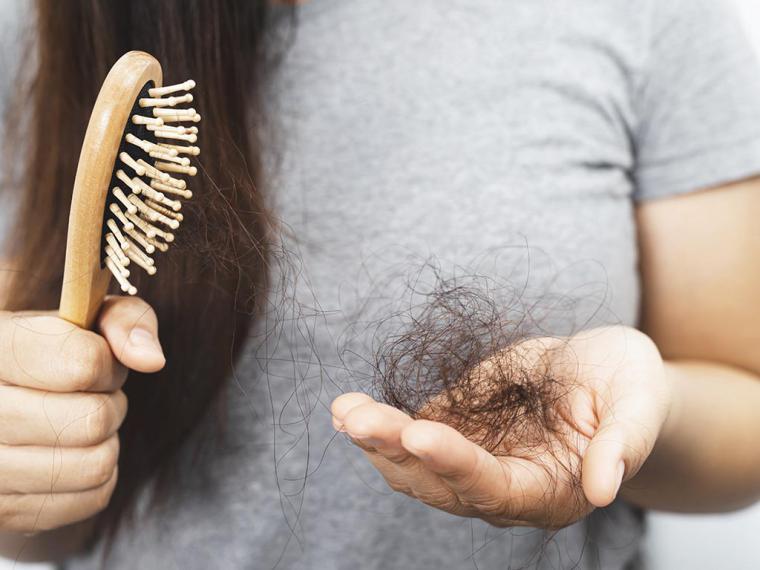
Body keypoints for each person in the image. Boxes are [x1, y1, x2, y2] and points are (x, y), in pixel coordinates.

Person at [1, 0, 760, 569]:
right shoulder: (47, 32)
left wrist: (630, 419)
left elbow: (744, 419)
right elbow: (40, 529)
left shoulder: (648, 14)